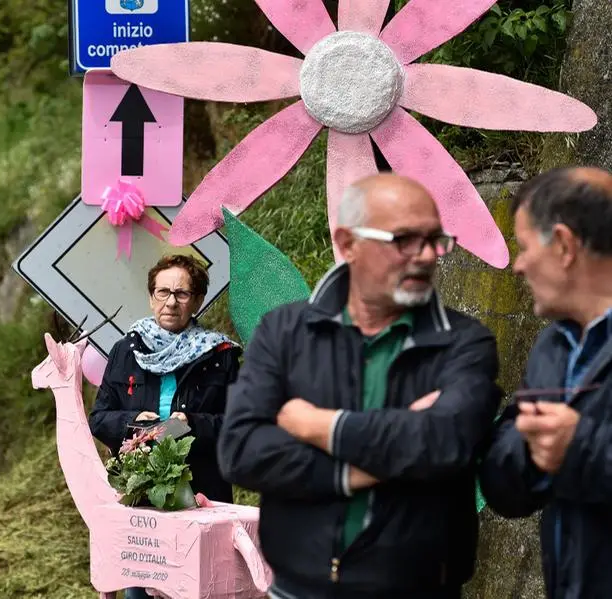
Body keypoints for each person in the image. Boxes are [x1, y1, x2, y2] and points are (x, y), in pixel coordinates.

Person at [217, 174, 502, 599]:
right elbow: (241, 451)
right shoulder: (285, 332)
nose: (425, 256)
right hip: (299, 587)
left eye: (434, 240)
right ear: (348, 243)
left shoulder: (464, 343)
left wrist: (318, 426)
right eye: (403, 239)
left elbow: (447, 442)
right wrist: (354, 470)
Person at [479, 166, 612, 599]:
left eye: (523, 247)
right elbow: (506, 491)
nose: (516, 267)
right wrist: (529, 452)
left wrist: (580, 449)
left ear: (563, 245)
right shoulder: (553, 346)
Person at [89, 254, 241, 599]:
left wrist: (192, 424)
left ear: (198, 300)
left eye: (182, 294)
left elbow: (239, 425)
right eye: (162, 292)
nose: (171, 302)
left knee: (197, 587)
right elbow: (99, 418)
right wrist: (132, 422)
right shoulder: (126, 350)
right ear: (150, 296)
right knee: (141, 587)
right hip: (141, 494)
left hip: (201, 495)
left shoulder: (220, 355)